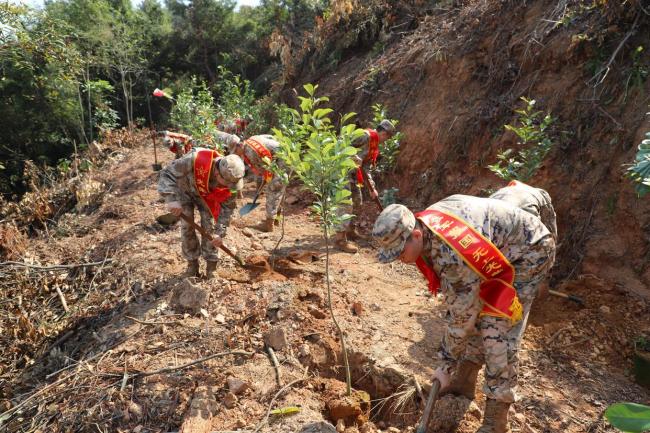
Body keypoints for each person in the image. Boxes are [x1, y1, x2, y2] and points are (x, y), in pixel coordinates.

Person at [372, 195, 556, 433]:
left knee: (496, 328)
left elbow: (462, 318)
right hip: (502, 250)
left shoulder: (451, 253)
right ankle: (465, 379)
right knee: (477, 316)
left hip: (530, 252)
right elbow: (462, 306)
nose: (399, 259)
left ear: (416, 235)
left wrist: (446, 362)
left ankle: (495, 419)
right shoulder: (427, 227)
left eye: (399, 252)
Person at [158, 148, 245, 278]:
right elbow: (167, 173)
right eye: (226, 183)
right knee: (187, 227)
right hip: (184, 191)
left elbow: (227, 209)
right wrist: (171, 199)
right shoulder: (195, 159)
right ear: (217, 173)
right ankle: (192, 265)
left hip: (206, 197)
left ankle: (211, 267)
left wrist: (220, 233)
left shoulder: (231, 184)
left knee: (209, 228)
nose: (229, 187)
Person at [334, 119, 396, 253]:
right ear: (384, 133)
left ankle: (350, 230)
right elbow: (340, 143)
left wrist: (371, 187)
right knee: (346, 204)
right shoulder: (364, 135)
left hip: (353, 175)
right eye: (388, 137)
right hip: (340, 172)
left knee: (357, 202)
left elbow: (365, 167)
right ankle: (340, 239)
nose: (386, 140)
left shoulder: (373, 146)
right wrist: (351, 155)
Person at [230, 134, 286, 232]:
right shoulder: (251, 140)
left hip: (281, 163)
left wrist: (267, 178)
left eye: (235, 152)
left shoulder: (249, 151)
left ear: (239, 146)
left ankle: (269, 225)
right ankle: (277, 219)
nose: (237, 155)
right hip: (284, 158)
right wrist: (266, 177)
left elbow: (264, 169)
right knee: (280, 190)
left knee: (273, 189)